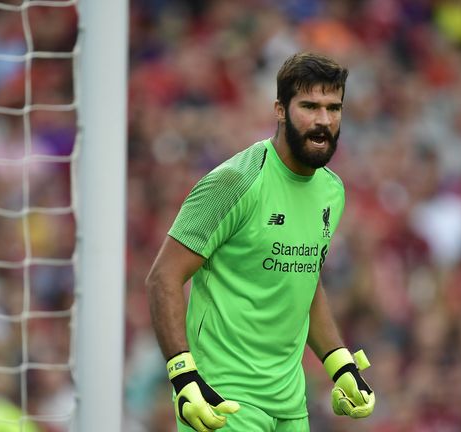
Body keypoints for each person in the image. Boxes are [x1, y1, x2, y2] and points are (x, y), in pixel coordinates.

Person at [146, 52, 375, 432]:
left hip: (290, 404)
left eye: (334, 108)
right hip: (224, 400)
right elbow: (163, 277)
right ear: (280, 110)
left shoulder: (332, 191)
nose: (323, 120)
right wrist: (184, 378)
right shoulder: (236, 181)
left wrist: (340, 363)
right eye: (309, 106)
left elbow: (302, 279)